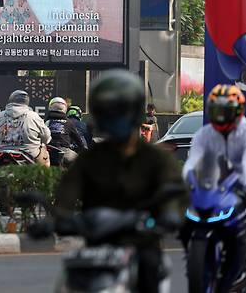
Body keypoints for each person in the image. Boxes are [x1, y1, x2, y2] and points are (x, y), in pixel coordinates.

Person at [54, 70, 187, 293]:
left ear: (134, 114)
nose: (114, 119)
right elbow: (66, 195)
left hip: (141, 242)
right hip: (97, 246)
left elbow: (175, 193)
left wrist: (170, 215)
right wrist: (58, 219)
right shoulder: (89, 159)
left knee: (150, 268)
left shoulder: (157, 158)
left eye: (120, 112)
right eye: (107, 112)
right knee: (65, 280)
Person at [182, 84, 246, 261]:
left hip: (245, 177)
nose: (221, 117)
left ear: (238, 111)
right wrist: (184, 181)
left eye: (226, 111)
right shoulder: (204, 134)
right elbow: (192, 161)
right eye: (217, 111)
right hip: (214, 178)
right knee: (192, 213)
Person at [0, 90, 51, 166]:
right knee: (44, 151)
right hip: (29, 155)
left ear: (10, 100)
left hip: (1, 155)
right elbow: (46, 137)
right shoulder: (34, 116)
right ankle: (42, 177)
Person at [46, 97, 88, 165]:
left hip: (49, 151)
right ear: (64, 108)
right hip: (64, 151)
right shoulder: (69, 122)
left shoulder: (47, 121)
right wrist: (83, 149)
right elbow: (78, 139)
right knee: (81, 162)